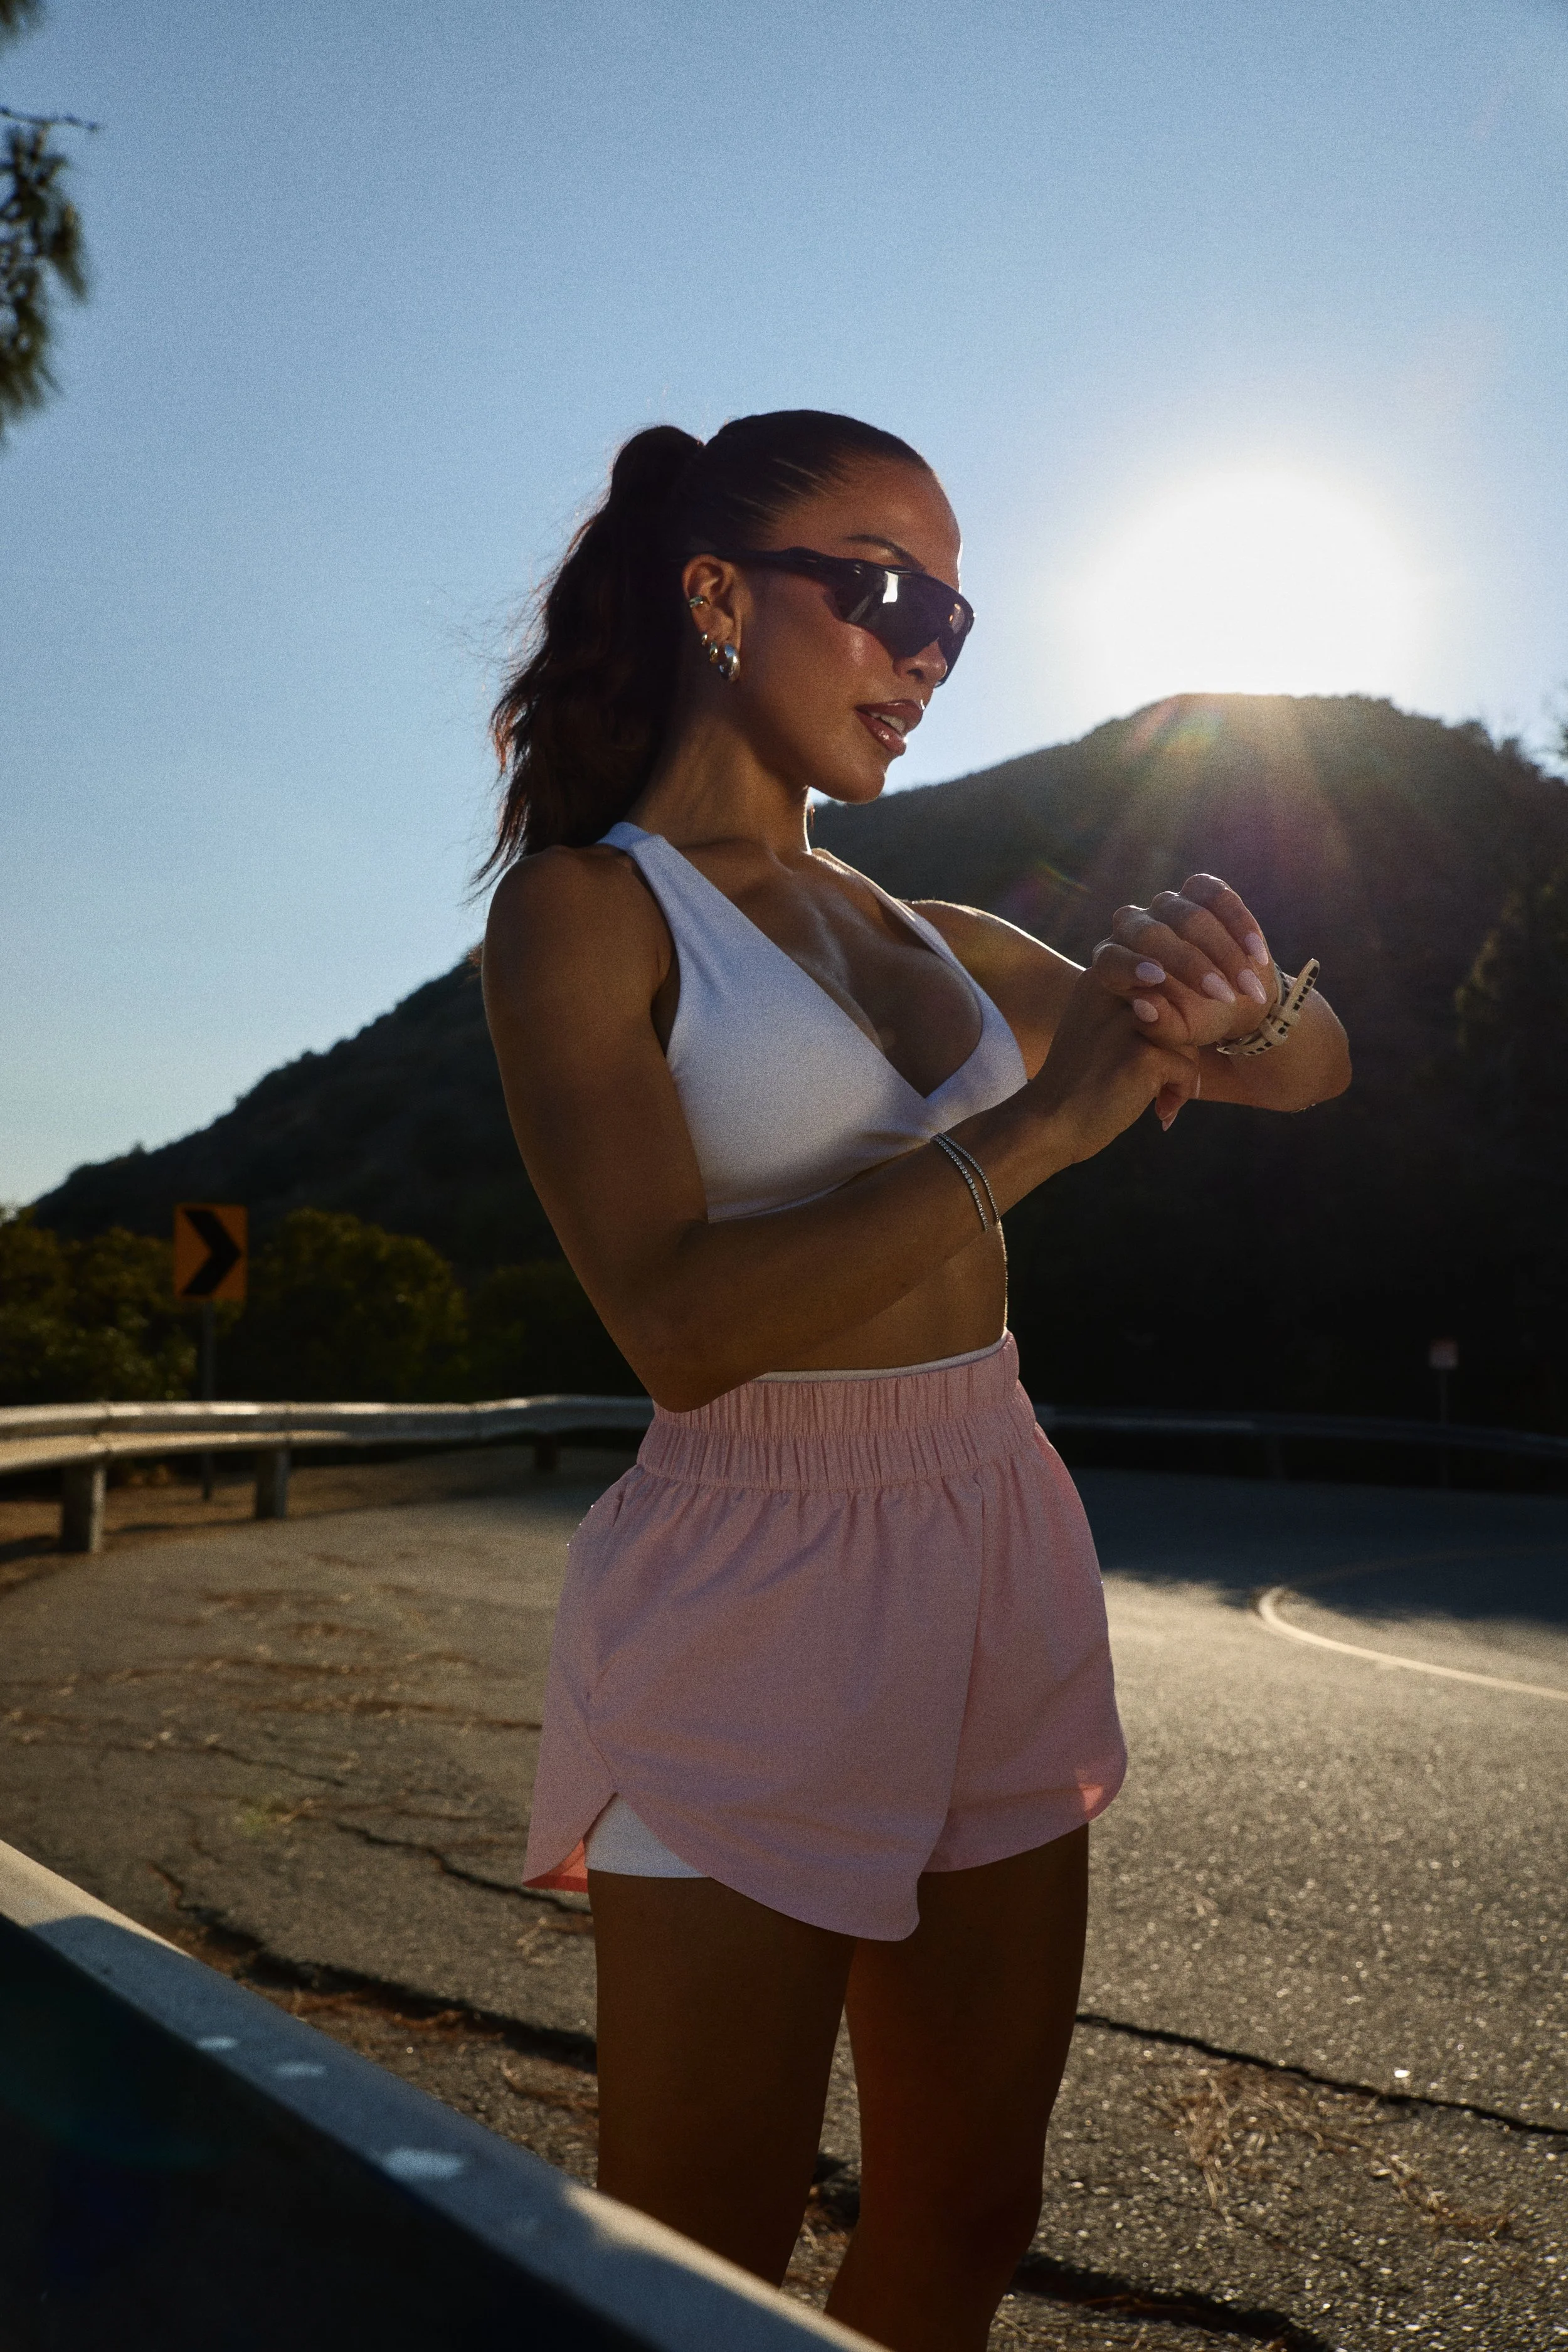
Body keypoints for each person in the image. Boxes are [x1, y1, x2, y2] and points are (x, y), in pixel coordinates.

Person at [480, 410, 1350, 2352]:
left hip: (990, 1525)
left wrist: (1249, 1003)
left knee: (968, 2203)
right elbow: (678, 1328)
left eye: (952, 616)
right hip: (752, 1570)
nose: (925, 652)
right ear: (715, 594)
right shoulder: (587, 913)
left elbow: (1313, 1072)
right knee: (698, 2252)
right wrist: (1038, 1133)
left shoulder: (936, 932)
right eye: (879, 592)